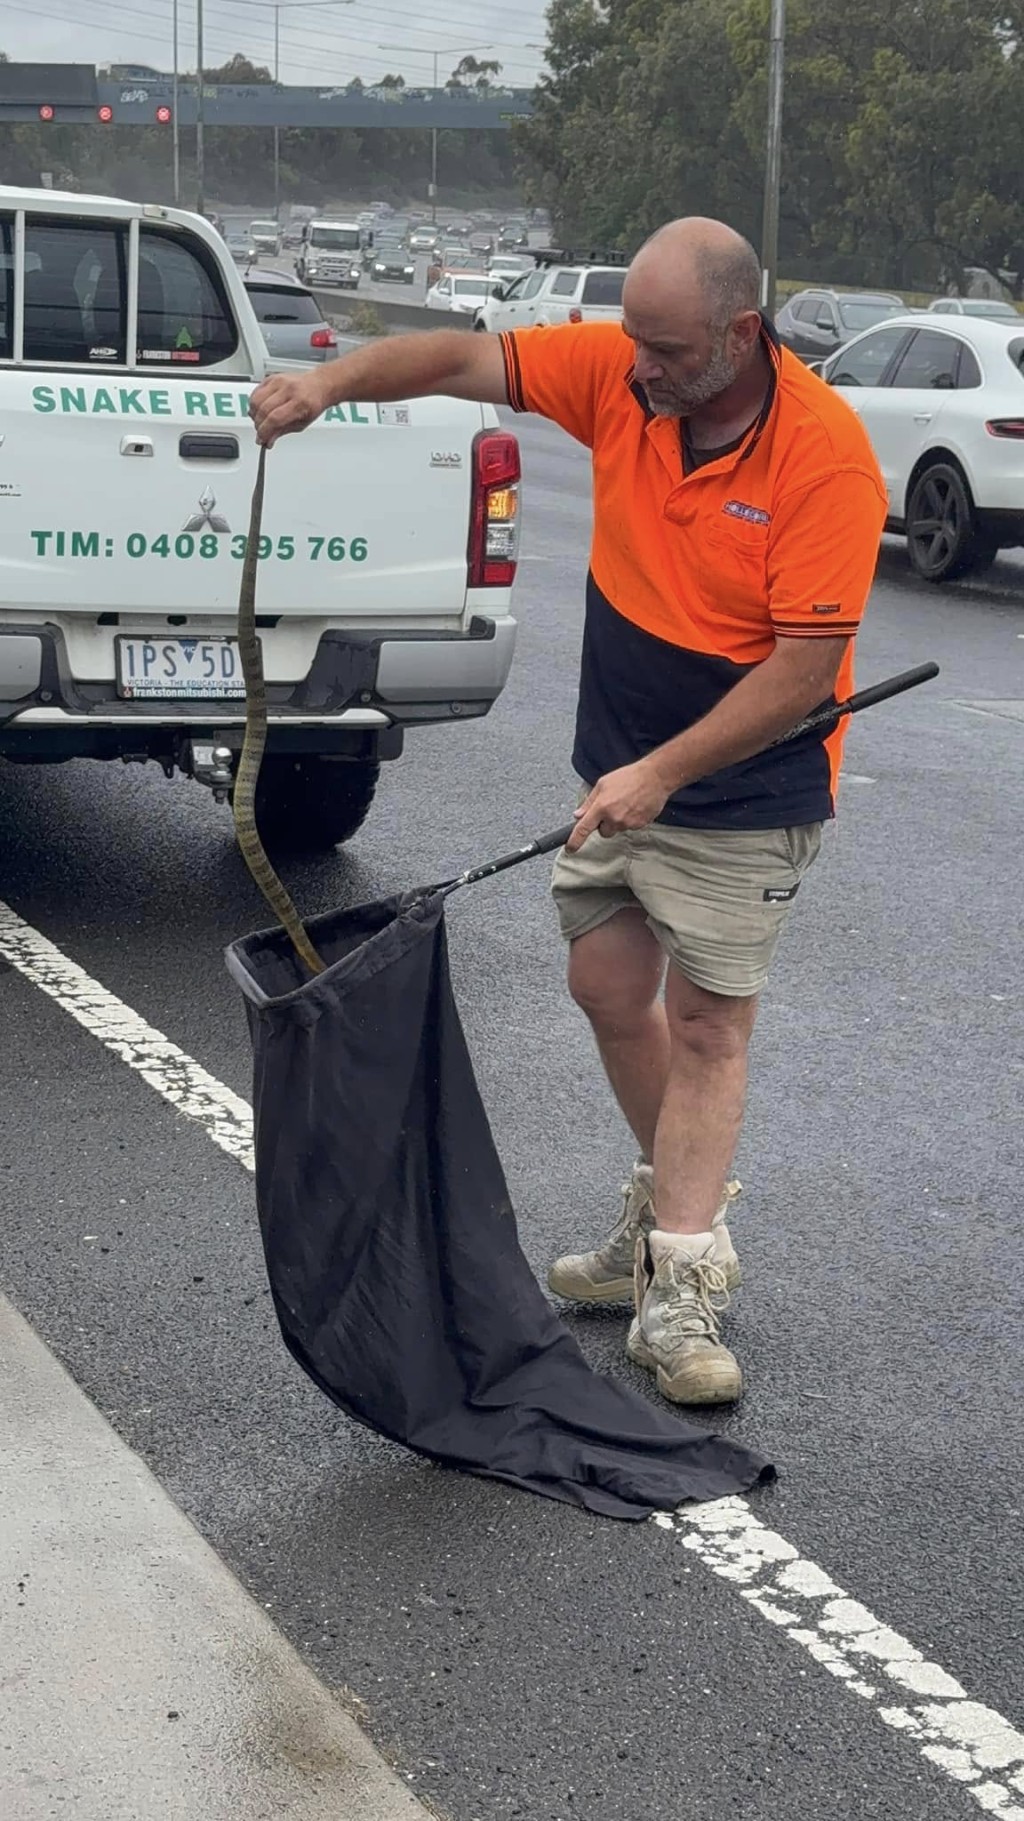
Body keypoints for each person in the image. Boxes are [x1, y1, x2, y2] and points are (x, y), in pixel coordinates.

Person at [249, 217, 888, 1409]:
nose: (635, 366)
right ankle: (660, 1226)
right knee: (605, 990)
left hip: (745, 792)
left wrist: (664, 774)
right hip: (622, 774)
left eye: (665, 346)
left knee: (705, 1028)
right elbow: (451, 361)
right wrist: (326, 384)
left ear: (740, 335)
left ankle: (686, 1286)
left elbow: (803, 669)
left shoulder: (823, 458)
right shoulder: (623, 375)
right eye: (632, 341)